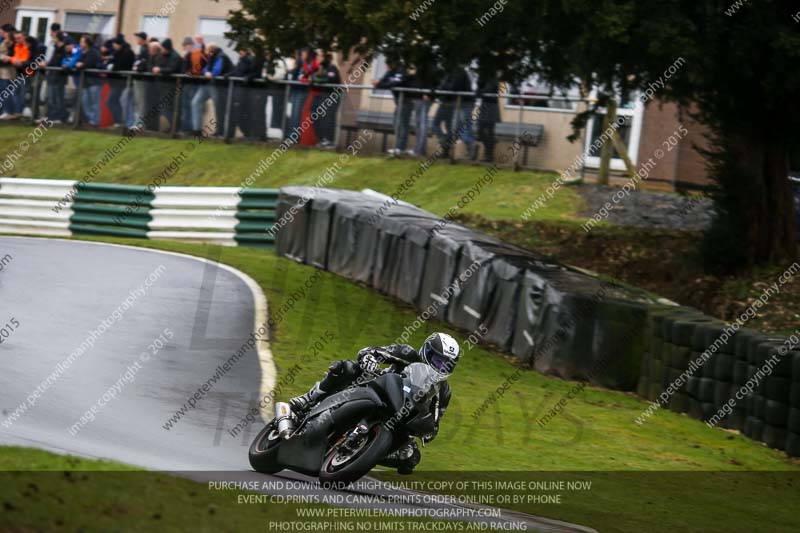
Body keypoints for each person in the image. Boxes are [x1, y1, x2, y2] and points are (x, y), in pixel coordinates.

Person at [288, 332, 460, 474]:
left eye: (446, 365)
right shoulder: (408, 353)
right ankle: (308, 399)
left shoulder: (443, 390)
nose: (440, 367)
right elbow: (372, 351)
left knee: (411, 457)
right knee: (347, 368)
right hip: (375, 388)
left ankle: (367, 452)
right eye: (437, 360)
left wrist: (427, 432)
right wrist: (370, 359)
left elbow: (436, 421)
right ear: (426, 351)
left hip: (401, 416)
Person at [432, 65, 476, 159]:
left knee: (461, 129)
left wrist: (443, 87)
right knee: (454, 129)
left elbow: (454, 87)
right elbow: (443, 86)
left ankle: (472, 149)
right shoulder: (448, 72)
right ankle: (446, 147)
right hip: (456, 104)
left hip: (463, 103)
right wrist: (443, 87)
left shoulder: (459, 72)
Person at [373, 60, 410, 155]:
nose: (386, 66)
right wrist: (381, 84)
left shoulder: (400, 71)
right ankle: (398, 147)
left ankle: (400, 148)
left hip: (406, 101)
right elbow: (381, 84)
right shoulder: (389, 72)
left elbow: (395, 83)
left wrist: (385, 84)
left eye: (388, 64)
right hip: (399, 102)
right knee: (396, 123)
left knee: (402, 125)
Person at [202, 43, 232, 137]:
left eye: (207, 51)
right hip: (217, 85)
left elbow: (217, 69)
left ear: (212, 50)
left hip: (223, 87)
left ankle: (222, 131)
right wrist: (206, 72)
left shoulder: (221, 56)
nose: (206, 53)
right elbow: (206, 68)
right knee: (218, 108)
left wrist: (211, 74)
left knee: (221, 109)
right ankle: (219, 130)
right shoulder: (213, 56)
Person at [310, 51, 340, 147]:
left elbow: (330, 80)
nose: (317, 58)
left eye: (319, 56)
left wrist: (319, 80)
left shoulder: (332, 68)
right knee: (316, 117)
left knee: (329, 118)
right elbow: (313, 79)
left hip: (333, 96)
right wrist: (317, 79)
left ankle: (329, 140)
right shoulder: (320, 68)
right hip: (323, 96)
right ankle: (322, 138)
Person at [181, 35, 206, 134]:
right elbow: (184, 69)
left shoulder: (200, 53)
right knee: (186, 106)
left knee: (193, 105)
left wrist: (190, 73)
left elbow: (200, 66)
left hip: (195, 83)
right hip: (187, 83)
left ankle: (193, 128)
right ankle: (186, 128)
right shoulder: (188, 55)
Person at [107, 35, 134, 127]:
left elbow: (120, 65)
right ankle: (119, 121)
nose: (113, 45)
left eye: (115, 43)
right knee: (114, 101)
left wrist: (112, 67)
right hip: (115, 81)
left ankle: (123, 122)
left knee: (117, 101)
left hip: (123, 82)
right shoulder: (116, 52)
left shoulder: (128, 52)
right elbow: (111, 61)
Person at [75, 34, 101, 126]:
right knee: (85, 101)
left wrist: (81, 65)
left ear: (87, 43)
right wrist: (79, 64)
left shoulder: (93, 52)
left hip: (94, 81)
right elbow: (77, 63)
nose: (80, 44)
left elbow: (86, 64)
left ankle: (95, 121)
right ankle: (90, 119)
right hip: (85, 82)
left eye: (82, 42)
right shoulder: (82, 52)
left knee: (95, 102)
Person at [44, 31, 68, 123]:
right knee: (51, 97)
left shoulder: (63, 49)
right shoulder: (55, 48)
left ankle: (60, 117)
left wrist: (49, 64)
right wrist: (47, 64)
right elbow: (53, 61)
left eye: (54, 37)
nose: (52, 38)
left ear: (57, 38)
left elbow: (59, 62)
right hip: (52, 76)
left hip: (59, 77)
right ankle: (52, 116)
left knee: (58, 98)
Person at [476, 73, 500, 162]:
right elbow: (478, 92)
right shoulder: (483, 77)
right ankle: (489, 150)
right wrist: (480, 87)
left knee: (490, 132)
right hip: (484, 107)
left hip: (492, 108)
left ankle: (489, 156)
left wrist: (480, 90)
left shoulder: (493, 77)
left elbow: (487, 90)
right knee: (480, 131)